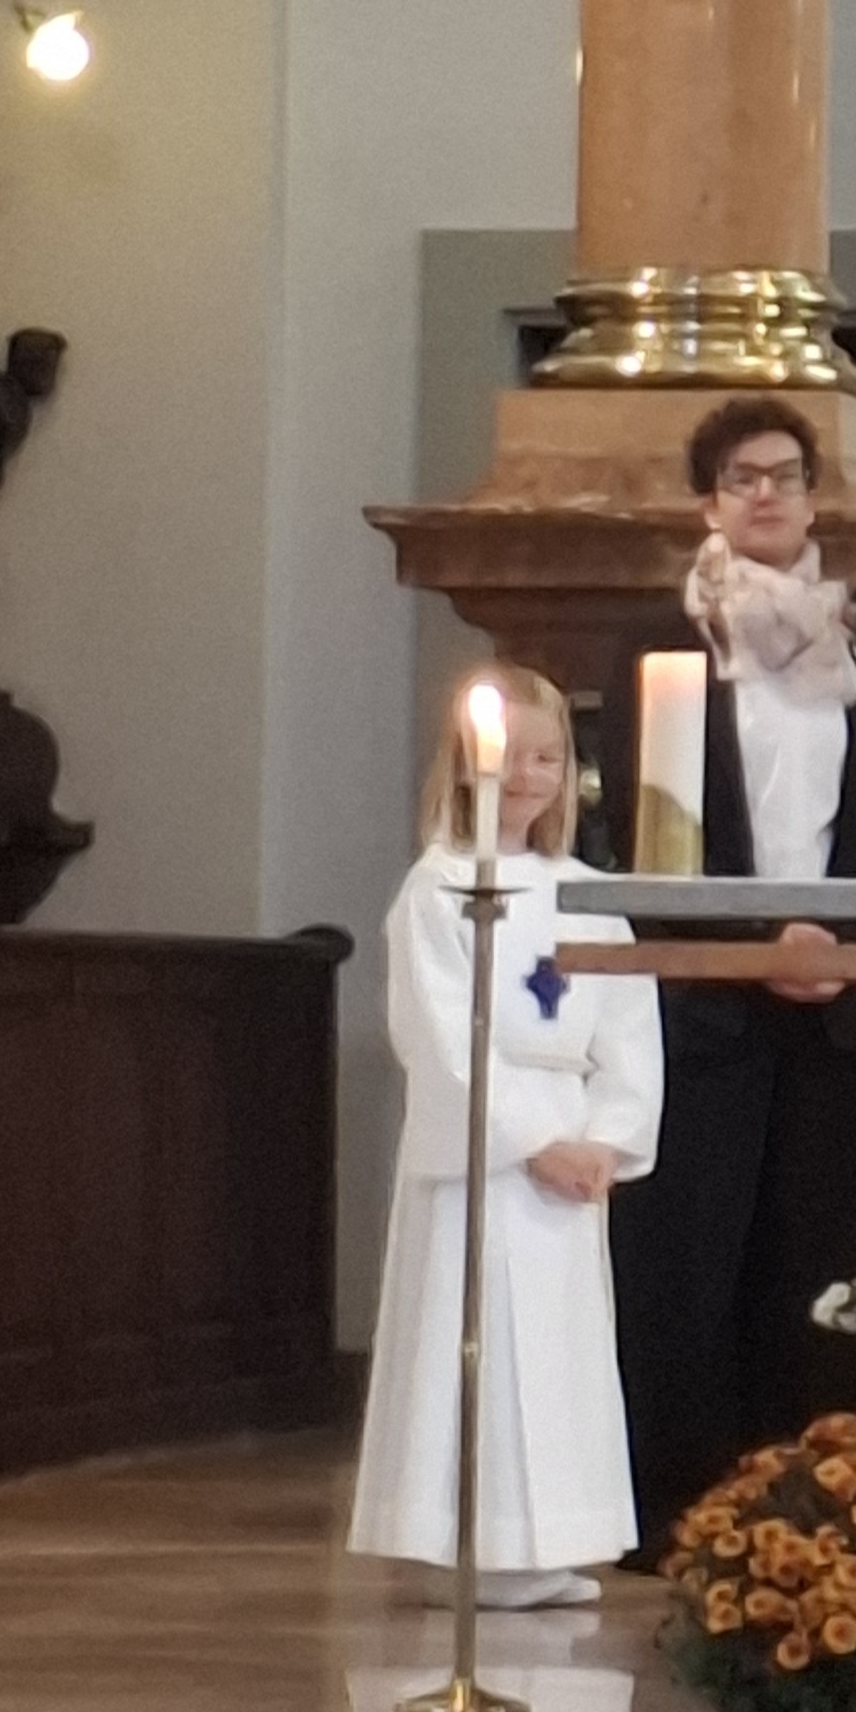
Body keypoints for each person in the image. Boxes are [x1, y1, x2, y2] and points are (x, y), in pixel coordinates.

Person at [594, 396, 856, 1557]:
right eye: (742, 476)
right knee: (688, 1261)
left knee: (813, 1273)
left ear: (810, 497)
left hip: (836, 1006)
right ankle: (678, 1515)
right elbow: (647, 831)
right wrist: (762, 939)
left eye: (785, 474)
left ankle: (803, 1517)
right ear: (709, 500)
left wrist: (836, 938)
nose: (765, 493)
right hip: (706, 1001)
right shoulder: (662, 643)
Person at [349, 664, 662, 1609]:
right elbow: (442, 1038)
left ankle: (542, 1544)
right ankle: (460, 1548)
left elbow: (628, 1032)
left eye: (546, 758)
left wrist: (607, 1138)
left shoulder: (589, 895)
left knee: (557, 1353)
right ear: (462, 766)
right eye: (507, 756)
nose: (526, 776)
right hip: (484, 1157)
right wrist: (532, 1140)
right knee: (473, 1342)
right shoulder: (437, 890)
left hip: (570, 1152)